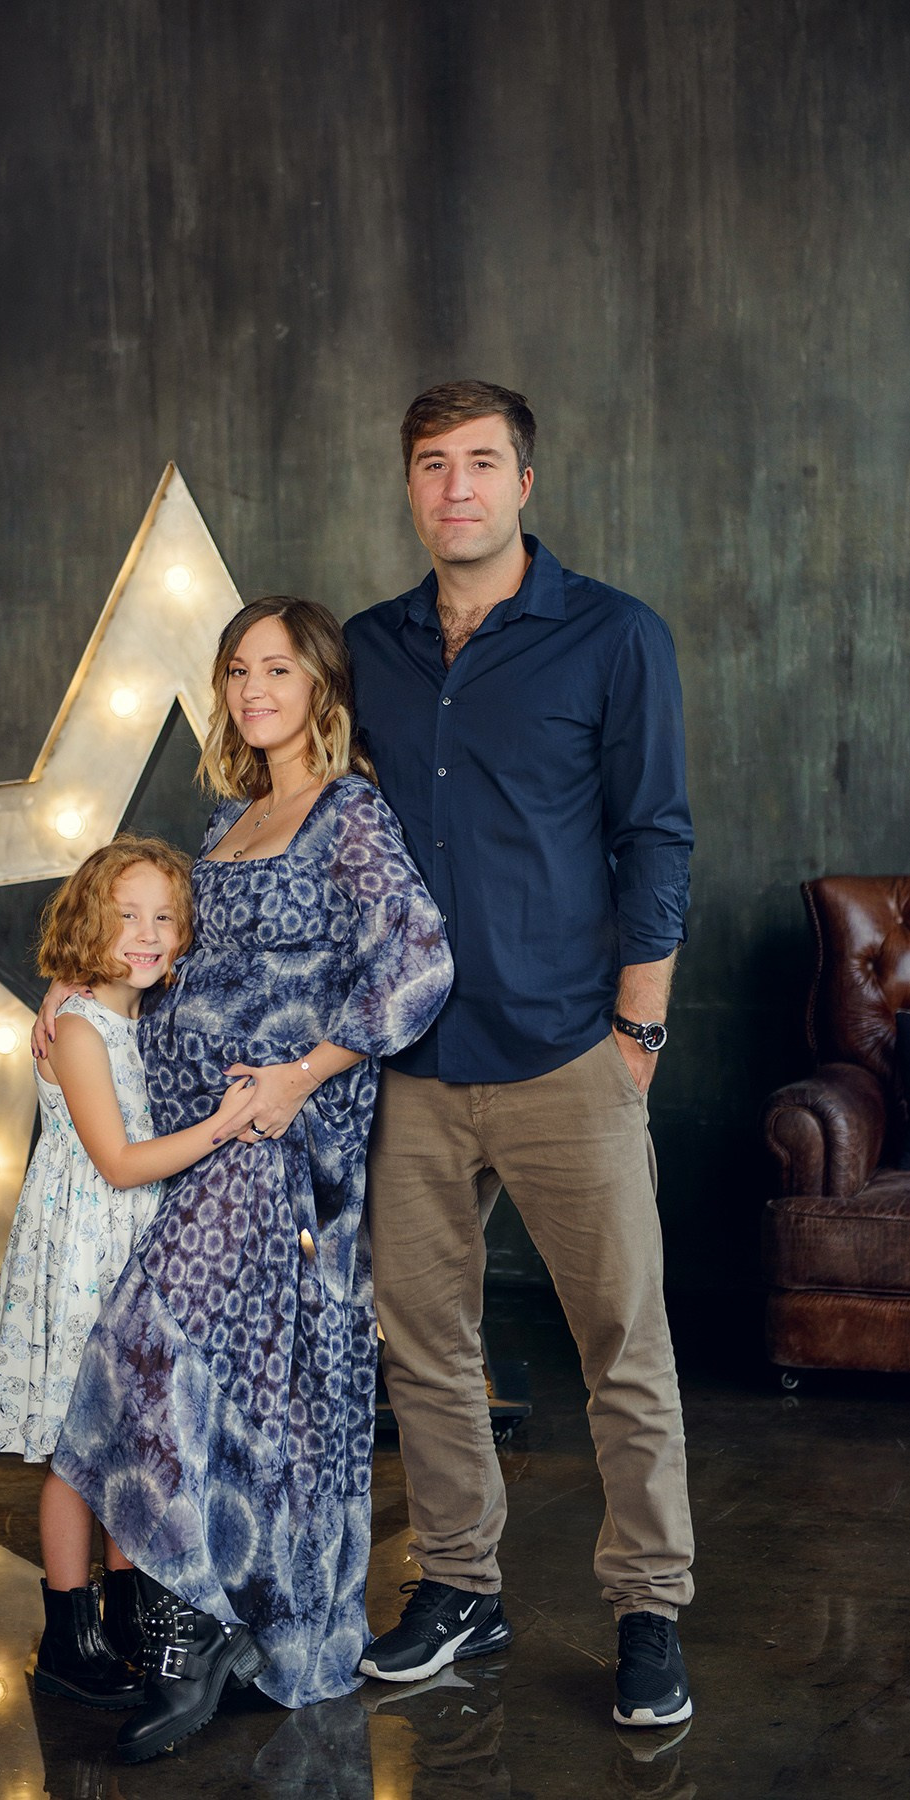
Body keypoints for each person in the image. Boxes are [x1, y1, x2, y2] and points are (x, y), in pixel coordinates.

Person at [35, 597, 453, 1761]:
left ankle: (189, 1631)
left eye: (277, 668)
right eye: (236, 671)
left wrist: (297, 1079)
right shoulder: (227, 821)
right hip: (198, 1131)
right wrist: (65, 995)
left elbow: (417, 966)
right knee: (216, 1379)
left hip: (280, 1141)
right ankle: (194, 1617)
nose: (253, 689)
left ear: (321, 685)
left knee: (152, 1350)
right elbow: (157, 952)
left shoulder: (348, 813)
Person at [344, 380, 695, 1729]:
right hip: (413, 1069)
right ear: (411, 486)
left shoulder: (613, 637)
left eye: (480, 464)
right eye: (431, 466)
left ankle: (649, 1610)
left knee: (624, 1344)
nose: (455, 490)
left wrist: (638, 1025)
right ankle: (460, 1587)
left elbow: (654, 831)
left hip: (566, 1055)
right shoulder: (367, 648)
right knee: (426, 1348)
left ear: (524, 483)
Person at [0, 835, 254, 1709]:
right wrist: (226, 1123)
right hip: (87, 1251)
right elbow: (121, 1162)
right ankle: (68, 1629)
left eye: (164, 918)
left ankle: (130, 1613)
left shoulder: (133, 1015)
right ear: (83, 923)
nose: (146, 932)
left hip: (135, 1251)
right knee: (76, 1451)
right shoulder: (81, 1030)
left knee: (128, 1442)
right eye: (124, 915)